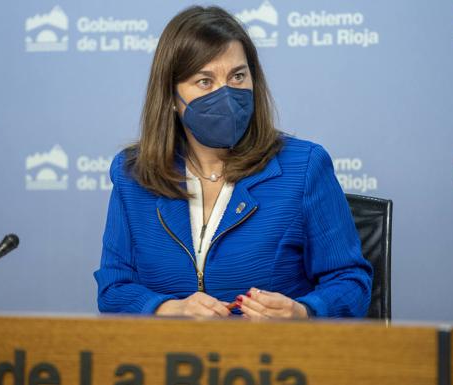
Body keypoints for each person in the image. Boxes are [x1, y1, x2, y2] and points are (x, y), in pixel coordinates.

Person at [93, 5, 372, 319]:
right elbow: (113, 290)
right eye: (204, 82)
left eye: (238, 76)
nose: (225, 94)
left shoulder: (304, 167)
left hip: (274, 361)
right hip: (170, 360)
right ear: (171, 97)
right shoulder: (134, 175)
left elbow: (352, 284)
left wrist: (302, 312)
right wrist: (171, 309)